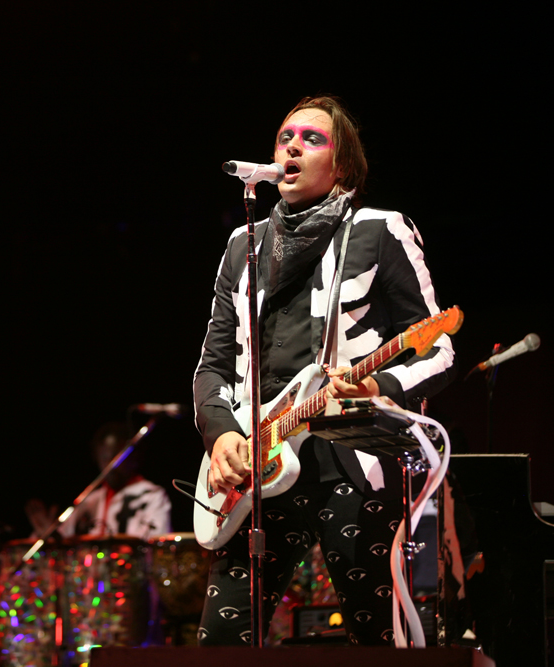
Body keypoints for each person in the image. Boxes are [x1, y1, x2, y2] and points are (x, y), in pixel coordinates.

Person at [193, 96, 456, 646]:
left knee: (377, 639)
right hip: (258, 471)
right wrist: (220, 436)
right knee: (221, 642)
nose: (292, 146)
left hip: (354, 467)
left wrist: (378, 385)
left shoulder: (380, 231)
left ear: (342, 166)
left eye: (312, 138)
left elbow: (438, 351)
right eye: (285, 137)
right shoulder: (243, 245)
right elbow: (212, 366)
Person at [26, 422, 172, 539]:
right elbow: (66, 545)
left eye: (116, 457)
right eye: (104, 458)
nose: (111, 465)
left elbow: (155, 546)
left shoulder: (152, 496)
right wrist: (51, 537)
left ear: (133, 457)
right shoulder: (90, 501)